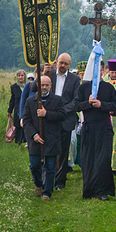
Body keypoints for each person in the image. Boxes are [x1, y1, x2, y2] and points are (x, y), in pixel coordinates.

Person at [75, 61, 116, 200]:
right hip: (88, 127)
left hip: (104, 127)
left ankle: (103, 191)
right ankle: (90, 190)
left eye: (99, 70)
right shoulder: (83, 88)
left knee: (103, 159)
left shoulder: (108, 88)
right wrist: (87, 103)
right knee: (89, 159)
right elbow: (76, 105)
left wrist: (102, 105)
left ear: (102, 71)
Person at [23, 76, 66, 201]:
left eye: (47, 85)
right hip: (35, 139)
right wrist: (34, 135)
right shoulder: (30, 101)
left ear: (50, 86)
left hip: (51, 138)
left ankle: (47, 192)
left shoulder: (57, 100)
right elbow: (26, 120)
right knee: (35, 165)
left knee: (50, 167)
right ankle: (38, 183)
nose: (44, 87)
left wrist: (47, 114)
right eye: (42, 85)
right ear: (38, 85)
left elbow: (62, 115)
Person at [48, 53, 80, 191]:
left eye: (66, 64)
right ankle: (48, 178)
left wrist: (61, 111)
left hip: (66, 119)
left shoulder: (75, 79)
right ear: (57, 62)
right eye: (61, 63)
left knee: (63, 151)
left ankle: (60, 181)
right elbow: (36, 90)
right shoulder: (49, 75)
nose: (63, 66)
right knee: (49, 150)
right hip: (49, 118)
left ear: (69, 65)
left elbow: (76, 100)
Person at [8, 69, 26, 145]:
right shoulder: (14, 87)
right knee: (18, 126)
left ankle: (26, 142)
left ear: (25, 76)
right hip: (18, 110)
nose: (20, 77)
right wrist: (9, 111)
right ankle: (19, 143)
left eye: (22, 75)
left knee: (26, 125)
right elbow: (12, 99)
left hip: (27, 109)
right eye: (19, 76)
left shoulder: (29, 86)